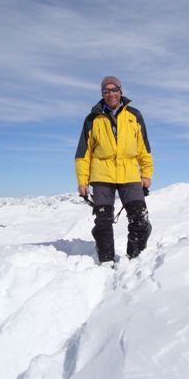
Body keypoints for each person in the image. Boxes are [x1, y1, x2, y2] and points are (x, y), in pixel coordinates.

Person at [75, 76, 154, 265]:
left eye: (114, 89)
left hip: (129, 174)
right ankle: (106, 259)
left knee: (140, 218)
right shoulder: (92, 119)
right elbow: (83, 153)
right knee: (103, 221)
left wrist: (146, 173)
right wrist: (82, 181)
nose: (110, 94)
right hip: (102, 175)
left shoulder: (134, 115)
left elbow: (144, 148)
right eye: (106, 91)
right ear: (102, 94)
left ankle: (134, 257)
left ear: (121, 91)